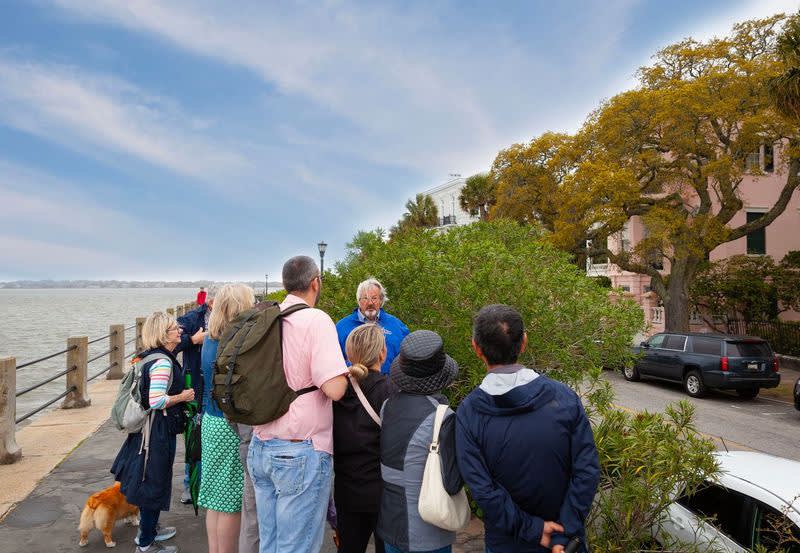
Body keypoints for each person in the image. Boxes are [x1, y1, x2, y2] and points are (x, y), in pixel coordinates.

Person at [455, 304, 600, 553]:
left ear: (476, 348)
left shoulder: (469, 412)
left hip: (507, 542)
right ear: (524, 342)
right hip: (566, 544)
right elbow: (586, 471)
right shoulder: (564, 398)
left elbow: (483, 489)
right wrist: (563, 531)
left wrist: (533, 529)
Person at [248, 255, 349, 553]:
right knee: (296, 547)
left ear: (285, 284)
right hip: (299, 450)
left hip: (260, 445)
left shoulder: (267, 319)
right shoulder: (316, 320)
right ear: (316, 282)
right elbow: (334, 389)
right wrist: (347, 373)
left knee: (270, 543)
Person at [111, 312, 195, 553]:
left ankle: (150, 530)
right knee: (153, 483)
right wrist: (183, 396)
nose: (180, 331)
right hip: (155, 432)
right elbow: (156, 400)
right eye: (175, 328)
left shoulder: (149, 356)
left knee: (151, 480)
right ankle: (145, 543)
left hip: (149, 430)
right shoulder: (163, 362)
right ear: (163, 334)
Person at [376, 330, 463, 553]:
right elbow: (452, 481)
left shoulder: (388, 406)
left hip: (390, 521)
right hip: (427, 529)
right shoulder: (442, 417)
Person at [198, 283, 255, 553]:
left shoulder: (209, 340)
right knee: (231, 502)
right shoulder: (234, 344)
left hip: (210, 421)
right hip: (229, 424)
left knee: (214, 500)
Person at [333, 324, 395, 553]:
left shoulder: (337, 390)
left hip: (346, 490)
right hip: (382, 492)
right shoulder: (390, 391)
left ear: (349, 354)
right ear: (382, 353)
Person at [175, 288, 213, 503]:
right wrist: (193, 340)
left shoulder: (230, 318)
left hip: (219, 386)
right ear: (211, 301)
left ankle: (210, 485)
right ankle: (190, 485)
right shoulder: (192, 318)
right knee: (195, 436)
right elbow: (168, 342)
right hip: (197, 386)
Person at [336, 278, 410, 375]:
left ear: (381, 300)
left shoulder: (397, 326)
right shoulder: (342, 327)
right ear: (359, 301)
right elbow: (334, 360)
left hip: (390, 383)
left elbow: (407, 357)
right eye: (365, 298)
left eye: (374, 298)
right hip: (356, 382)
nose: (370, 303)